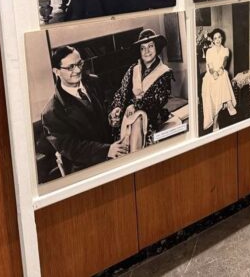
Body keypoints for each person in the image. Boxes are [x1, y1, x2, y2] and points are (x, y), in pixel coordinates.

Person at [41, 46, 127, 174]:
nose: (77, 70)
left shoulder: (94, 82)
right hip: (86, 169)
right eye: (70, 67)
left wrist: (111, 115)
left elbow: (105, 107)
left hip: (114, 153)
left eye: (79, 63)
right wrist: (106, 150)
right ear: (57, 71)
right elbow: (73, 148)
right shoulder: (51, 113)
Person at [109, 29, 174, 152]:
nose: (147, 51)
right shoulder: (134, 69)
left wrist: (135, 106)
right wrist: (117, 107)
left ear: (156, 47)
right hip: (130, 112)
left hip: (151, 114)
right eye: (142, 48)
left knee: (138, 118)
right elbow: (121, 92)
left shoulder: (164, 72)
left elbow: (158, 99)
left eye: (150, 46)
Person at [201, 29, 237, 131]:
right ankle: (228, 102)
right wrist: (214, 72)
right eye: (215, 38)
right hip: (211, 76)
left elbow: (225, 61)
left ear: (222, 38)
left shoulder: (226, 50)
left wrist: (221, 69)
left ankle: (216, 121)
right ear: (212, 40)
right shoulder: (209, 51)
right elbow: (210, 66)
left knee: (224, 74)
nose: (217, 40)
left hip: (221, 73)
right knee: (222, 79)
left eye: (219, 37)